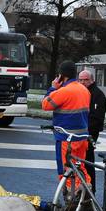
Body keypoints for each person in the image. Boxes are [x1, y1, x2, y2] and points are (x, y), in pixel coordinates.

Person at [42, 61, 91, 190]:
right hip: (82, 137)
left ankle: (70, 197)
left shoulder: (63, 91)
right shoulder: (84, 90)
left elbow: (45, 105)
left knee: (66, 170)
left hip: (66, 139)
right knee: (80, 168)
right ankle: (86, 192)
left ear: (61, 76)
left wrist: (53, 88)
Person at [77, 69, 106, 211]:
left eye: (85, 80)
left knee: (88, 163)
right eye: (80, 79)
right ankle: (80, 192)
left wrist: (86, 130)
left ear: (92, 80)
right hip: (79, 134)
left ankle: (90, 193)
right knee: (79, 163)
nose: (82, 82)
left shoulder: (98, 95)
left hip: (89, 135)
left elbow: (97, 118)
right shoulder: (80, 92)